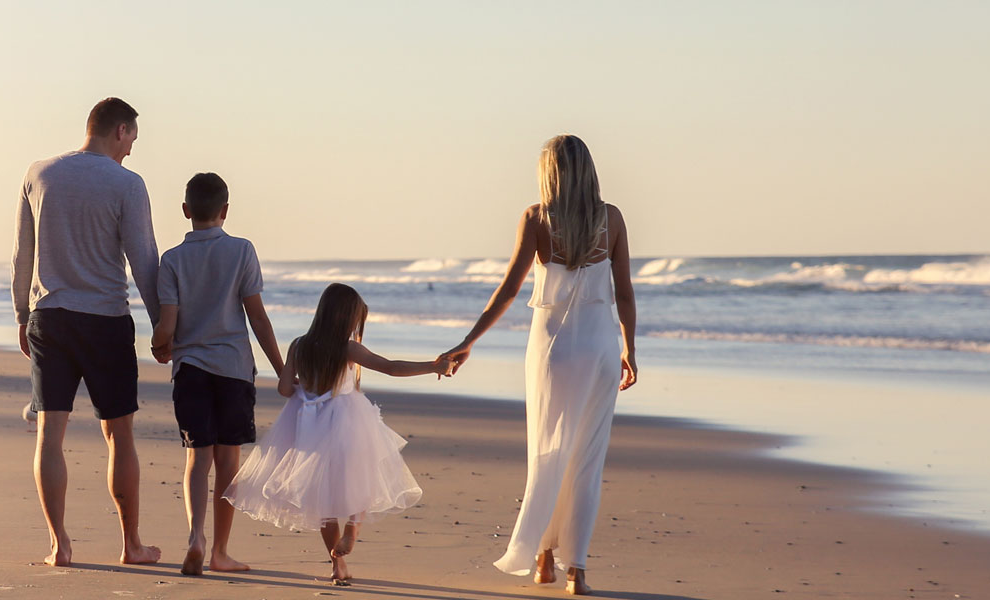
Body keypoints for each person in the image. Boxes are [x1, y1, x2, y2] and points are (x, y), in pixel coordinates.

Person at [439, 134, 639, 595]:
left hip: (552, 349)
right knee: (588, 458)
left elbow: (509, 290)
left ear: (549, 171)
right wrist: (630, 348)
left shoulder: (536, 218)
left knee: (547, 450)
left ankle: (543, 558)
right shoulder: (612, 219)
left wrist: (470, 340)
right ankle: (578, 570)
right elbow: (625, 293)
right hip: (601, 347)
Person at [11, 97, 162, 567]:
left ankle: (59, 544)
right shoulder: (127, 184)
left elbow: (22, 254)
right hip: (105, 321)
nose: (132, 151)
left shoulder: (40, 173)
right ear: (120, 130)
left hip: (50, 316)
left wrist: (21, 314)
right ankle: (131, 544)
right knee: (119, 436)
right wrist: (163, 326)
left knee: (49, 436)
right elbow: (144, 260)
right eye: (132, 139)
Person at [224, 283, 445, 586]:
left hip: (310, 426)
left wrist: (305, 386)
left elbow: (284, 389)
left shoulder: (299, 345)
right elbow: (390, 368)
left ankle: (336, 564)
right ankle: (353, 528)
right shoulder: (348, 347)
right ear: (347, 318)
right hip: (348, 420)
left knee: (322, 495)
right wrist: (432, 366)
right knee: (362, 475)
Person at [148, 173, 287, 576]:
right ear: (225, 211)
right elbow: (257, 318)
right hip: (233, 370)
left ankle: (195, 536)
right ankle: (221, 551)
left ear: (186, 212)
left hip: (190, 370)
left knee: (197, 459)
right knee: (228, 461)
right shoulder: (242, 251)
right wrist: (282, 370)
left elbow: (168, 323)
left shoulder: (172, 259)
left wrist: (159, 345)